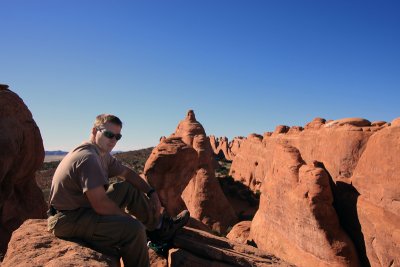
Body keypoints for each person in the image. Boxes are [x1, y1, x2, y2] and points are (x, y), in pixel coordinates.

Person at [47, 114, 189, 267]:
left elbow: (127, 174)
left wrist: (151, 192)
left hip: (82, 206)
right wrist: (128, 220)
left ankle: (159, 228)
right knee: (134, 230)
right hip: (68, 218)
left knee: (128, 188)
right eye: (109, 134)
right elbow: (100, 205)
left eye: (118, 136)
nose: (113, 140)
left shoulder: (100, 153)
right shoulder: (88, 158)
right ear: (95, 131)